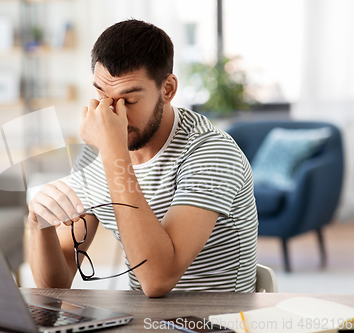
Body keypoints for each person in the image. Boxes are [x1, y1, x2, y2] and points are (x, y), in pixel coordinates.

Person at [28, 19, 258, 297]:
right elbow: (55, 283)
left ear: (168, 89)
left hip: (217, 321)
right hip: (144, 321)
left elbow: (158, 280)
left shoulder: (212, 154)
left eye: (130, 100)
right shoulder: (98, 149)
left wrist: (113, 151)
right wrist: (38, 224)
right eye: (102, 95)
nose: (113, 114)